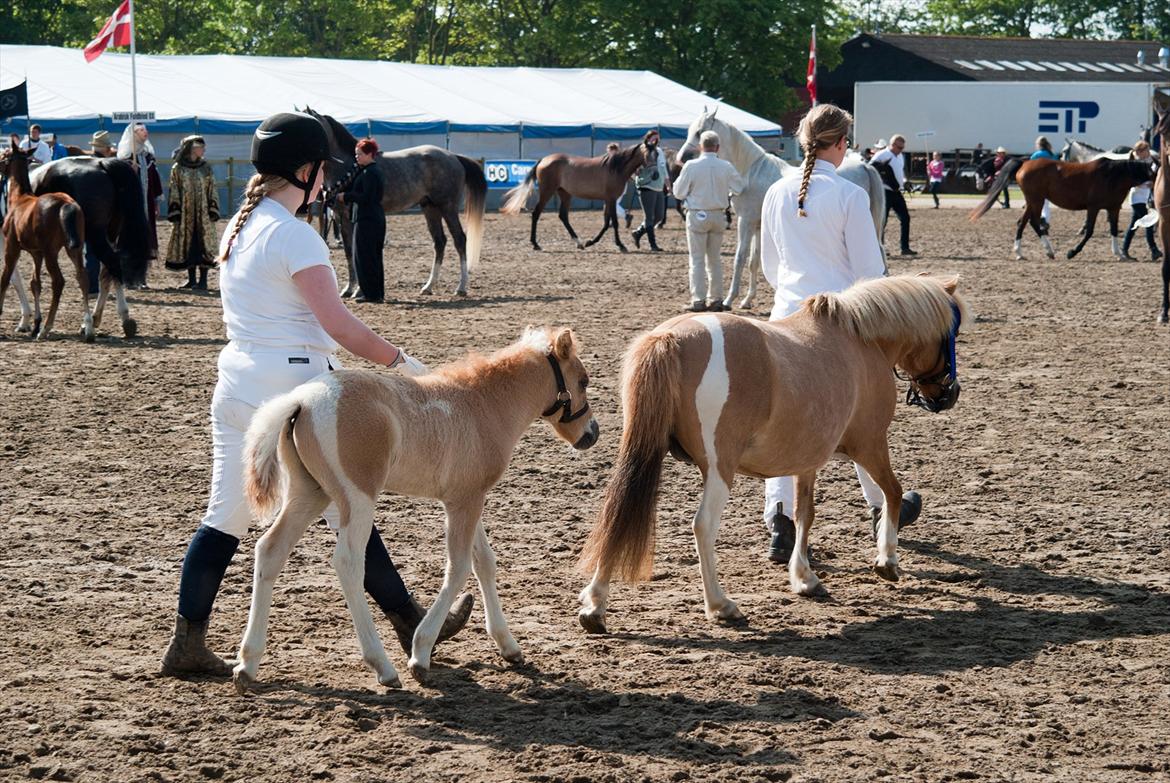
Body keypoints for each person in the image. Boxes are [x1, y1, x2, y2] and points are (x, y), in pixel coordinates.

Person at [160, 113, 473, 677]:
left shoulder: (239, 226)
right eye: (322, 171)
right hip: (293, 387)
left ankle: (187, 640)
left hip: (237, 384)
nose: (327, 180)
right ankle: (410, 621)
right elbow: (339, 324)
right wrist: (400, 361)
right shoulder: (295, 235)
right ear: (304, 171)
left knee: (224, 516)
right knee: (349, 512)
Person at [758, 104, 922, 564]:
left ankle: (780, 519)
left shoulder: (775, 191)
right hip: (841, 323)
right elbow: (870, 273)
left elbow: (770, 266)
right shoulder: (850, 195)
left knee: (781, 419)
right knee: (862, 421)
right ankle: (879, 506)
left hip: (783, 319)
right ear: (843, 143)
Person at [671, 130, 746, 311]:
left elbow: (678, 192)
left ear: (700, 147)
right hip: (718, 214)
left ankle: (698, 299)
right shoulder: (726, 166)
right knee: (714, 260)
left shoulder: (691, 166)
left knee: (697, 260)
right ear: (717, 147)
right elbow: (739, 187)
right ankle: (717, 298)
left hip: (697, 214)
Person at [164, 135, 220, 290]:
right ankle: (192, 280)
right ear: (192, 148)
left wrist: (213, 207)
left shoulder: (205, 168)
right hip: (186, 214)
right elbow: (174, 189)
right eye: (201, 147)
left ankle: (203, 281)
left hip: (203, 214)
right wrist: (175, 209)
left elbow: (212, 187)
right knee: (188, 244)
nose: (204, 150)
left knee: (204, 245)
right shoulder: (178, 169)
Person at [336, 137, 386, 303]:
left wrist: (346, 196)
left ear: (370, 154)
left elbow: (366, 197)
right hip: (371, 217)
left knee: (365, 256)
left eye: (360, 154)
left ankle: (371, 293)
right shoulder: (368, 171)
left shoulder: (370, 173)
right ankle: (376, 292)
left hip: (368, 218)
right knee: (371, 256)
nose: (357, 157)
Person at [119, 122, 163, 277]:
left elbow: (155, 180)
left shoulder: (148, 156)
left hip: (147, 205)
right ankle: (128, 274)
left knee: (146, 238)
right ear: (133, 134)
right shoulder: (126, 158)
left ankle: (142, 275)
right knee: (131, 236)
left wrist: (156, 202)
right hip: (132, 206)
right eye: (141, 130)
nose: (145, 132)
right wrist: (129, 172)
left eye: (145, 130)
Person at [870, 134, 917, 256]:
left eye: (902, 148)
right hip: (884, 191)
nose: (901, 150)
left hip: (897, 192)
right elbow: (870, 169)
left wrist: (905, 181)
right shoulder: (881, 155)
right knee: (882, 221)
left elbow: (901, 172)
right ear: (892, 145)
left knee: (905, 218)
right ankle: (880, 248)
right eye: (899, 147)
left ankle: (904, 248)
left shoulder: (900, 156)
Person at [1121, 140, 1162, 262]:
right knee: (1148, 223)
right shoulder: (1135, 163)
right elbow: (1133, 181)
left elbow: (1155, 175)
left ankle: (1124, 249)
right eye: (1143, 151)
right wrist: (1145, 184)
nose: (1147, 152)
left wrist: (1153, 184)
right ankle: (1154, 250)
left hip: (1144, 198)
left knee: (1133, 226)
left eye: (1145, 150)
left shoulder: (1151, 161)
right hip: (1137, 198)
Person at [631, 129, 667, 251]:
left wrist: (667, 183)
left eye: (658, 138)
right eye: (654, 138)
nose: (656, 140)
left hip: (658, 186)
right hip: (646, 185)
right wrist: (637, 173)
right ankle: (653, 245)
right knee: (649, 217)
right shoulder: (642, 150)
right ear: (648, 139)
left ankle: (638, 232)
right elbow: (633, 167)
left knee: (659, 216)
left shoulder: (659, 151)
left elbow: (663, 168)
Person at [1029, 137, 1058, 229]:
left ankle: (1042, 221)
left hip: (1037, 182)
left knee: (1036, 204)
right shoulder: (1052, 154)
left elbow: (1029, 168)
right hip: (1051, 182)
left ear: (1039, 145)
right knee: (1046, 205)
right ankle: (1046, 221)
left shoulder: (1036, 155)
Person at [604, 142, 630, 226]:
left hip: (619, 186)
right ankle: (613, 221)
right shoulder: (610, 160)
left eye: (611, 151)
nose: (610, 153)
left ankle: (626, 215)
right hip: (613, 186)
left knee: (612, 204)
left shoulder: (620, 161)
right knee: (611, 204)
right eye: (609, 151)